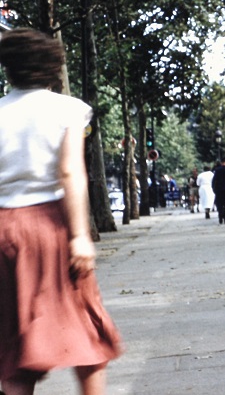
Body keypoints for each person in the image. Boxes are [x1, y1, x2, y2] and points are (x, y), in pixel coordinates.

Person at [0, 28, 123, 395]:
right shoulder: (67, 109)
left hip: (4, 229)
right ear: (53, 67)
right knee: (85, 330)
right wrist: (81, 235)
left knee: (14, 342)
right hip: (49, 226)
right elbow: (70, 171)